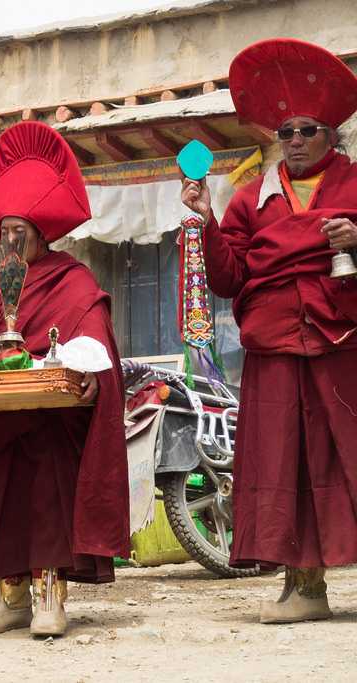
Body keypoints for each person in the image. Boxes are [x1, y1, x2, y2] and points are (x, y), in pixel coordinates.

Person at [181, 38, 357, 624]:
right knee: (288, 463)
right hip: (276, 346)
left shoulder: (353, 187)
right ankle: (303, 586)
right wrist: (206, 219)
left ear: (332, 134)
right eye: (285, 132)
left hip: (342, 343)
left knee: (347, 456)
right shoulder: (251, 198)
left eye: (307, 129)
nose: (295, 141)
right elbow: (231, 277)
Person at [0, 121, 129, 638]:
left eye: (20, 232)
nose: (11, 241)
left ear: (42, 235)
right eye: (4, 233)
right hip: (1, 417)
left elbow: (92, 336)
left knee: (46, 500)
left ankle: (49, 599)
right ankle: (10, 599)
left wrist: (88, 373)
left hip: (49, 418)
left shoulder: (73, 278)